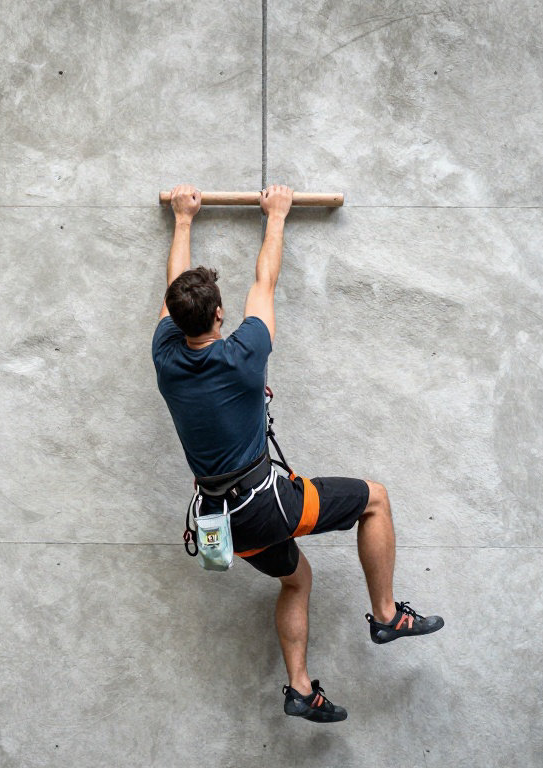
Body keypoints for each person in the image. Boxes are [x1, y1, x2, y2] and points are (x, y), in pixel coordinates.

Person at [152, 184, 444, 723]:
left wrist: (183, 219)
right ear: (220, 315)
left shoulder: (165, 357)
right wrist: (277, 214)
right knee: (374, 499)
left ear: (175, 319)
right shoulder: (244, 354)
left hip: (223, 524)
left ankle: (300, 689)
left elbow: (176, 289)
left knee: (297, 578)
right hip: (264, 505)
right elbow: (265, 281)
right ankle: (385, 614)